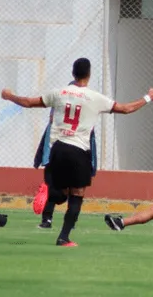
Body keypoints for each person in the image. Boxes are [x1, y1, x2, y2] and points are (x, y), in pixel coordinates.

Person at [1, 58, 153, 247]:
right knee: (77, 194)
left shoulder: (59, 93)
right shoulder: (95, 97)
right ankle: (64, 237)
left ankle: (52, 191)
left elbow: (28, 102)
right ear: (89, 74)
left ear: (73, 73)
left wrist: (9, 95)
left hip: (57, 148)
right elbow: (126, 109)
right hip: (78, 150)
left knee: (61, 192)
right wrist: (148, 97)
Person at [33, 80, 97, 230]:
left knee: (62, 186)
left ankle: (51, 217)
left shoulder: (64, 100)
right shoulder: (78, 102)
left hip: (64, 150)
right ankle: (50, 218)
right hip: (70, 151)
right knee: (71, 187)